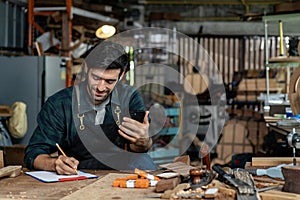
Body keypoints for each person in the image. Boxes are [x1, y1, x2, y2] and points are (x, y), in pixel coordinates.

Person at [24, 41, 156, 174]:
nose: (100, 87)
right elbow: (33, 154)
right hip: (78, 169)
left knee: (144, 160)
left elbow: (139, 148)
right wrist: (54, 164)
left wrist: (144, 141)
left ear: (121, 75)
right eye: (96, 78)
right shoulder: (59, 104)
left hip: (119, 168)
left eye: (109, 81)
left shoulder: (129, 97)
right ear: (86, 68)